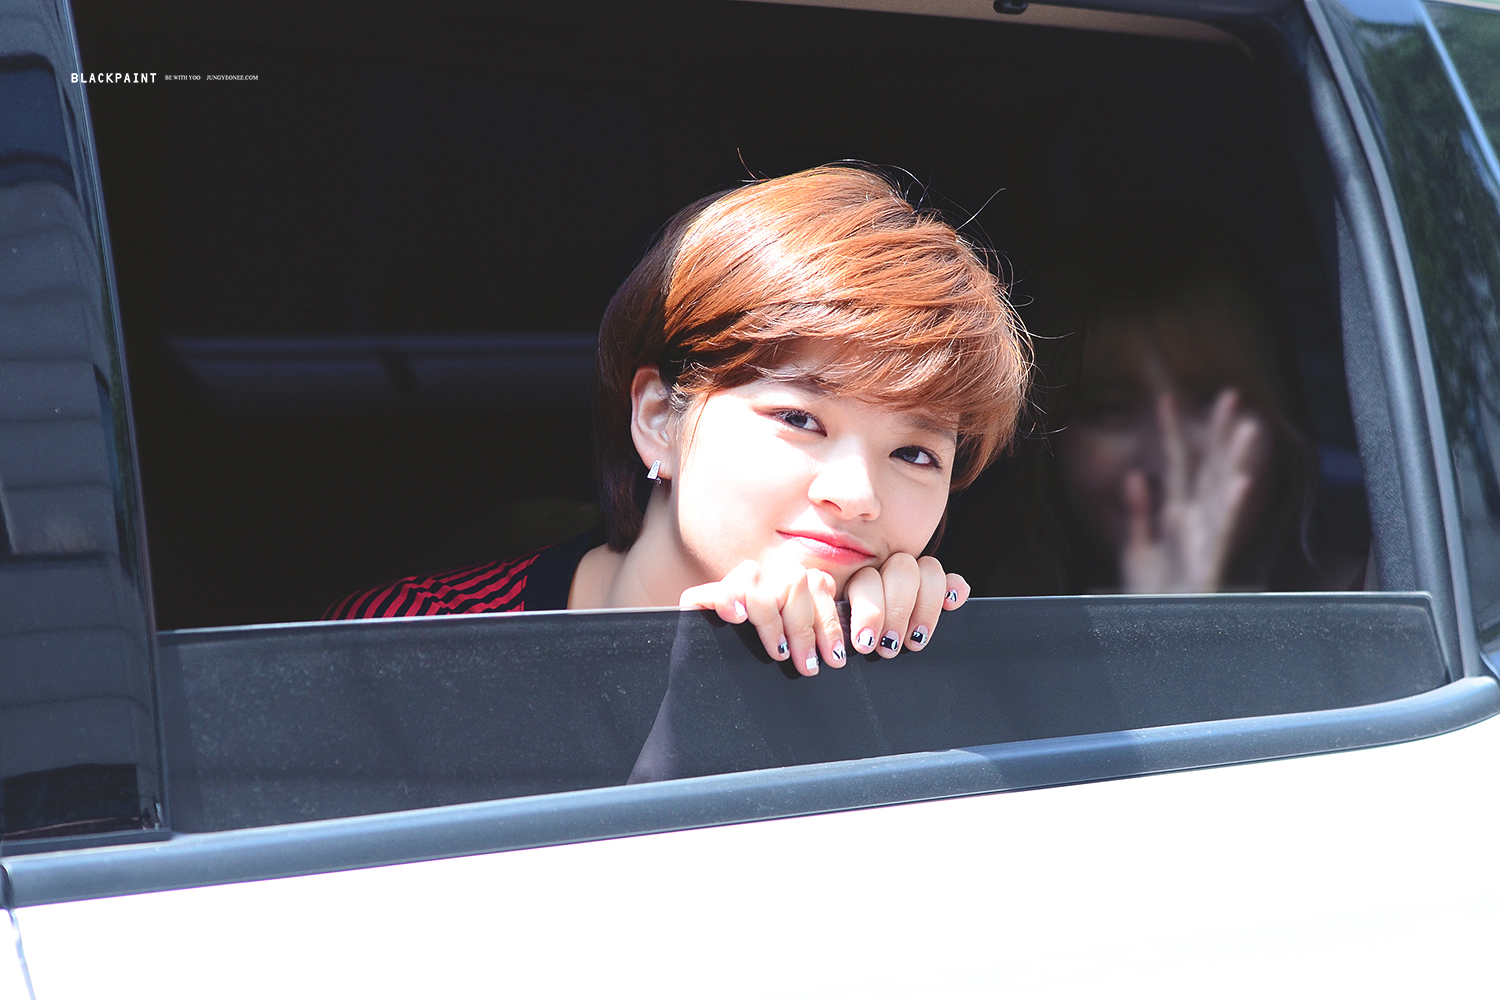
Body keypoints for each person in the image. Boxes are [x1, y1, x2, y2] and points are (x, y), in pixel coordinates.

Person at [327, 166, 1032, 675]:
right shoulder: (413, 645)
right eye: (799, 417)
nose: (856, 495)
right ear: (660, 417)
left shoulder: (945, 679)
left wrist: (894, 679)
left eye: (914, 454)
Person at [969, 212, 1360, 596]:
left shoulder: (1364, 607)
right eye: (1112, 409)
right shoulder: (978, 607)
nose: (1167, 458)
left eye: (1209, 402)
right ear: (1049, 436)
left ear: (1277, 421)